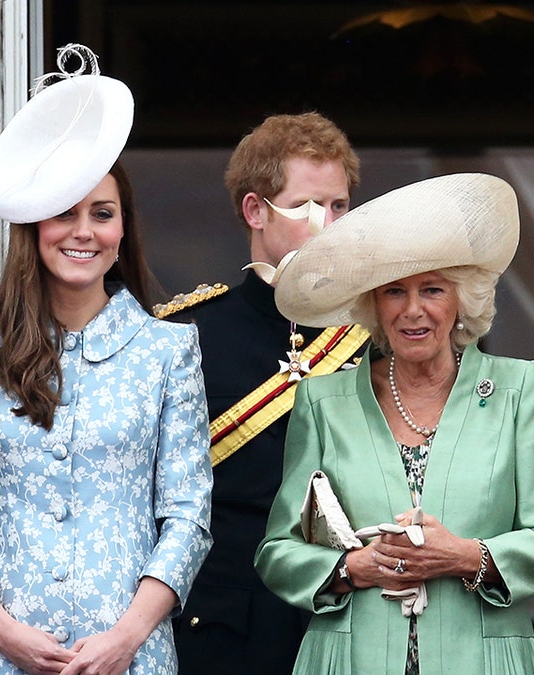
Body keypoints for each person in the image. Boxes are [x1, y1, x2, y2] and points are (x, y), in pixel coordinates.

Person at [0, 44, 213, 675]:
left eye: (102, 215)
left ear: (122, 231)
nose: (83, 231)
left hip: (129, 657)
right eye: (64, 212)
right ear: (32, 226)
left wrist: (126, 637)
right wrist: (4, 633)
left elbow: (188, 516)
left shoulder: (168, 351)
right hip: (1, 658)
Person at [255, 172, 534, 674]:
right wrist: (349, 568)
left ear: (461, 300)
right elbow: (278, 551)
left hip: (484, 659)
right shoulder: (322, 400)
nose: (413, 311)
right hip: (351, 659)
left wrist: (465, 555)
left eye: (432, 289)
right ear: (373, 306)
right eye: (393, 293)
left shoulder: (519, 389)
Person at [162, 112, 367, 674]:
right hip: (226, 624)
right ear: (255, 210)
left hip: (348, 615)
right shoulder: (185, 337)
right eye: (304, 206)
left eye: (338, 206)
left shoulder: (378, 337)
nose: (325, 224)